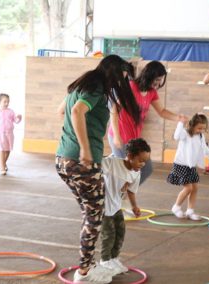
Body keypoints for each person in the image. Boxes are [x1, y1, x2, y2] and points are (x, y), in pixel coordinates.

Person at [55, 54, 141, 284]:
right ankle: (84, 272)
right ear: (112, 74)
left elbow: (61, 110)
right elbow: (75, 112)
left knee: (89, 214)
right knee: (94, 216)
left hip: (63, 160)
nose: (121, 83)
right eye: (121, 77)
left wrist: (73, 141)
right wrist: (84, 148)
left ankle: (88, 266)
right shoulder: (96, 90)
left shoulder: (82, 86)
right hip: (82, 162)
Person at [108, 60, 187, 184]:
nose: (159, 83)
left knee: (146, 169)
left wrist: (178, 118)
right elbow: (114, 111)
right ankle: (116, 190)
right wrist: (117, 137)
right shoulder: (130, 87)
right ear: (148, 76)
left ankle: (124, 190)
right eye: (156, 80)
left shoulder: (151, 92)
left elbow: (162, 111)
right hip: (120, 135)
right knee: (125, 170)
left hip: (134, 139)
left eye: (161, 80)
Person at [99, 138, 151, 276]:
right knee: (108, 235)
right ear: (129, 157)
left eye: (145, 161)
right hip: (104, 207)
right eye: (140, 160)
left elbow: (131, 191)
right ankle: (105, 261)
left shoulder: (136, 172)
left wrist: (135, 206)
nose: (143, 164)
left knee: (120, 232)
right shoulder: (113, 163)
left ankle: (114, 258)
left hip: (116, 206)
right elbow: (95, 164)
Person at [168, 113, 209, 220]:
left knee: (195, 188)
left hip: (191, 166)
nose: (201, 130)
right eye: (199, 128)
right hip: (181, 164)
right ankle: (176, 207)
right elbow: (176, 136)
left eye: (203, 129)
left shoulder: (200, 136)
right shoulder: (185, 133)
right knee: (188, 188)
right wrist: (181, 123)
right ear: (193, 125)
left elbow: (205, 148)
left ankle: (190, 211)